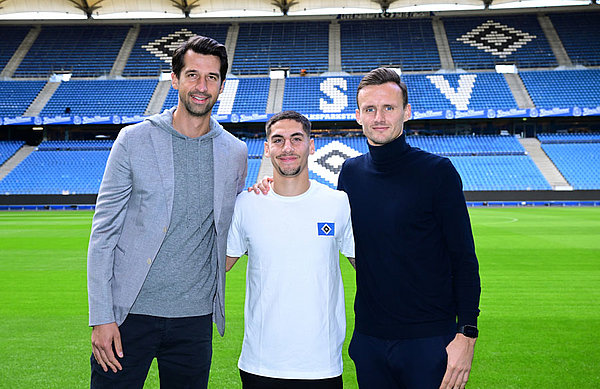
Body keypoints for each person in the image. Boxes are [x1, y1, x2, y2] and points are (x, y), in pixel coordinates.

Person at [251, 68, 481, 389]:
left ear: (406, 112)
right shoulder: (351, 172)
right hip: (369, 341)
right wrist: (273, 186)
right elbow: (335, 231)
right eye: (370, 109)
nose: (379, 117)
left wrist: (466, 334)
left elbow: (464, 260)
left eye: (389, 107)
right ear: (358, 116)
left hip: (428, 340)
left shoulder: (437, 172)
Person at [87, 35, 247, 388]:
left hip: (194, 320)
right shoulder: (133, 140)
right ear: (174, 79)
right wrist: (101, 317)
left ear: (222, 85)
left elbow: (233, 219)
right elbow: (103, 233)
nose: (201, 86)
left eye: (212, 77)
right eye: (192, 75)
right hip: (129, 316)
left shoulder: (234, 151)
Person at [226, 111, 355, 389]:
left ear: (311, 146)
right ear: (267, 148)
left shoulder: (338, 203)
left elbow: (372, 266)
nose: (287, 148)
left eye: (296, 139)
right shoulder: (246, 204)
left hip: (321, 365)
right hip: (261, 363)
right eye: (278, 140)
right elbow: (217, 264)